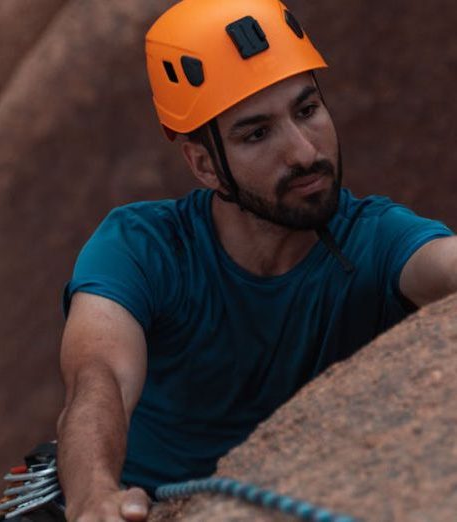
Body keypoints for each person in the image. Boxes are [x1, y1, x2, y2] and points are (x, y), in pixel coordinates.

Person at [56, 0, 456, 520]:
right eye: (256, 134)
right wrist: (94, 494)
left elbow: (445, 264)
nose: (303, 152)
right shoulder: (143, 245)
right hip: (140, 498)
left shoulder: (372, 238)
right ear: (204, 165)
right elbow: (98, 374)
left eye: (307, 110)